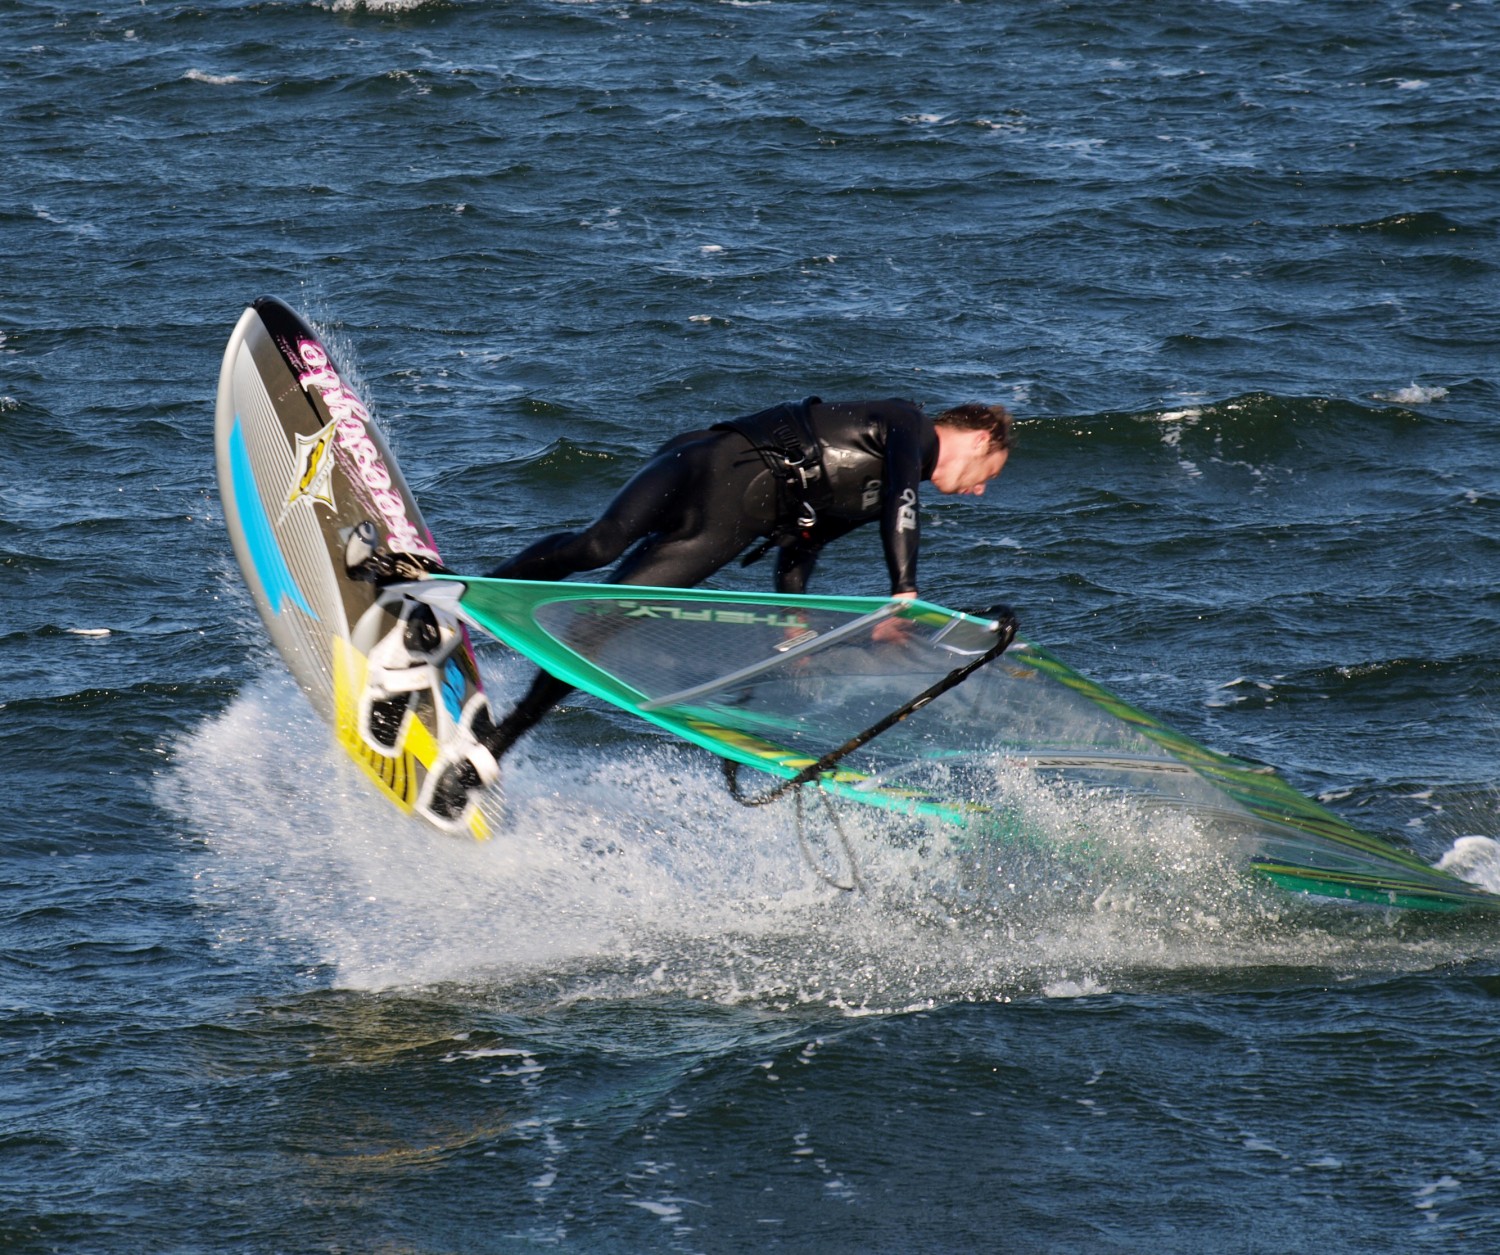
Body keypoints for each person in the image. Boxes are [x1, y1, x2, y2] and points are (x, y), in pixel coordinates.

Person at [411, 395, 1013, 827]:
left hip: (735, 518)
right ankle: (450, 602)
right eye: (992, 475)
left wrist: (795, 622)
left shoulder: (871, 493)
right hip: (714, 458)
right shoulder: (907, 423)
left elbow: (799, 549)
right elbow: (904, 500)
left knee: (604, 618)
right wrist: (902, 589)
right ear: (983, 439)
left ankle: (493, 745)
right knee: (596, 545)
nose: (983, 490)